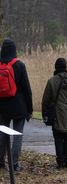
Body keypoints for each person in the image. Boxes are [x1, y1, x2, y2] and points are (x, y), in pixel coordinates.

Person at [42, 58, 67, 169]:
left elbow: (45, 101)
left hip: (57, 115)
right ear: (66, 67)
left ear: (56, 67)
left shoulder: (51, 81)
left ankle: (60, 162)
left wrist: (44, 115)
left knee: (58, 138)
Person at [0, 38, 33, 171]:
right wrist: (29, 109)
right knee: (17, 134)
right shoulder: (19, 65)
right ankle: (14, 163)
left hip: (2, 106)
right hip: (19, 107)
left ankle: (0, 161)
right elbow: (27, 89)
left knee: (2, 133)